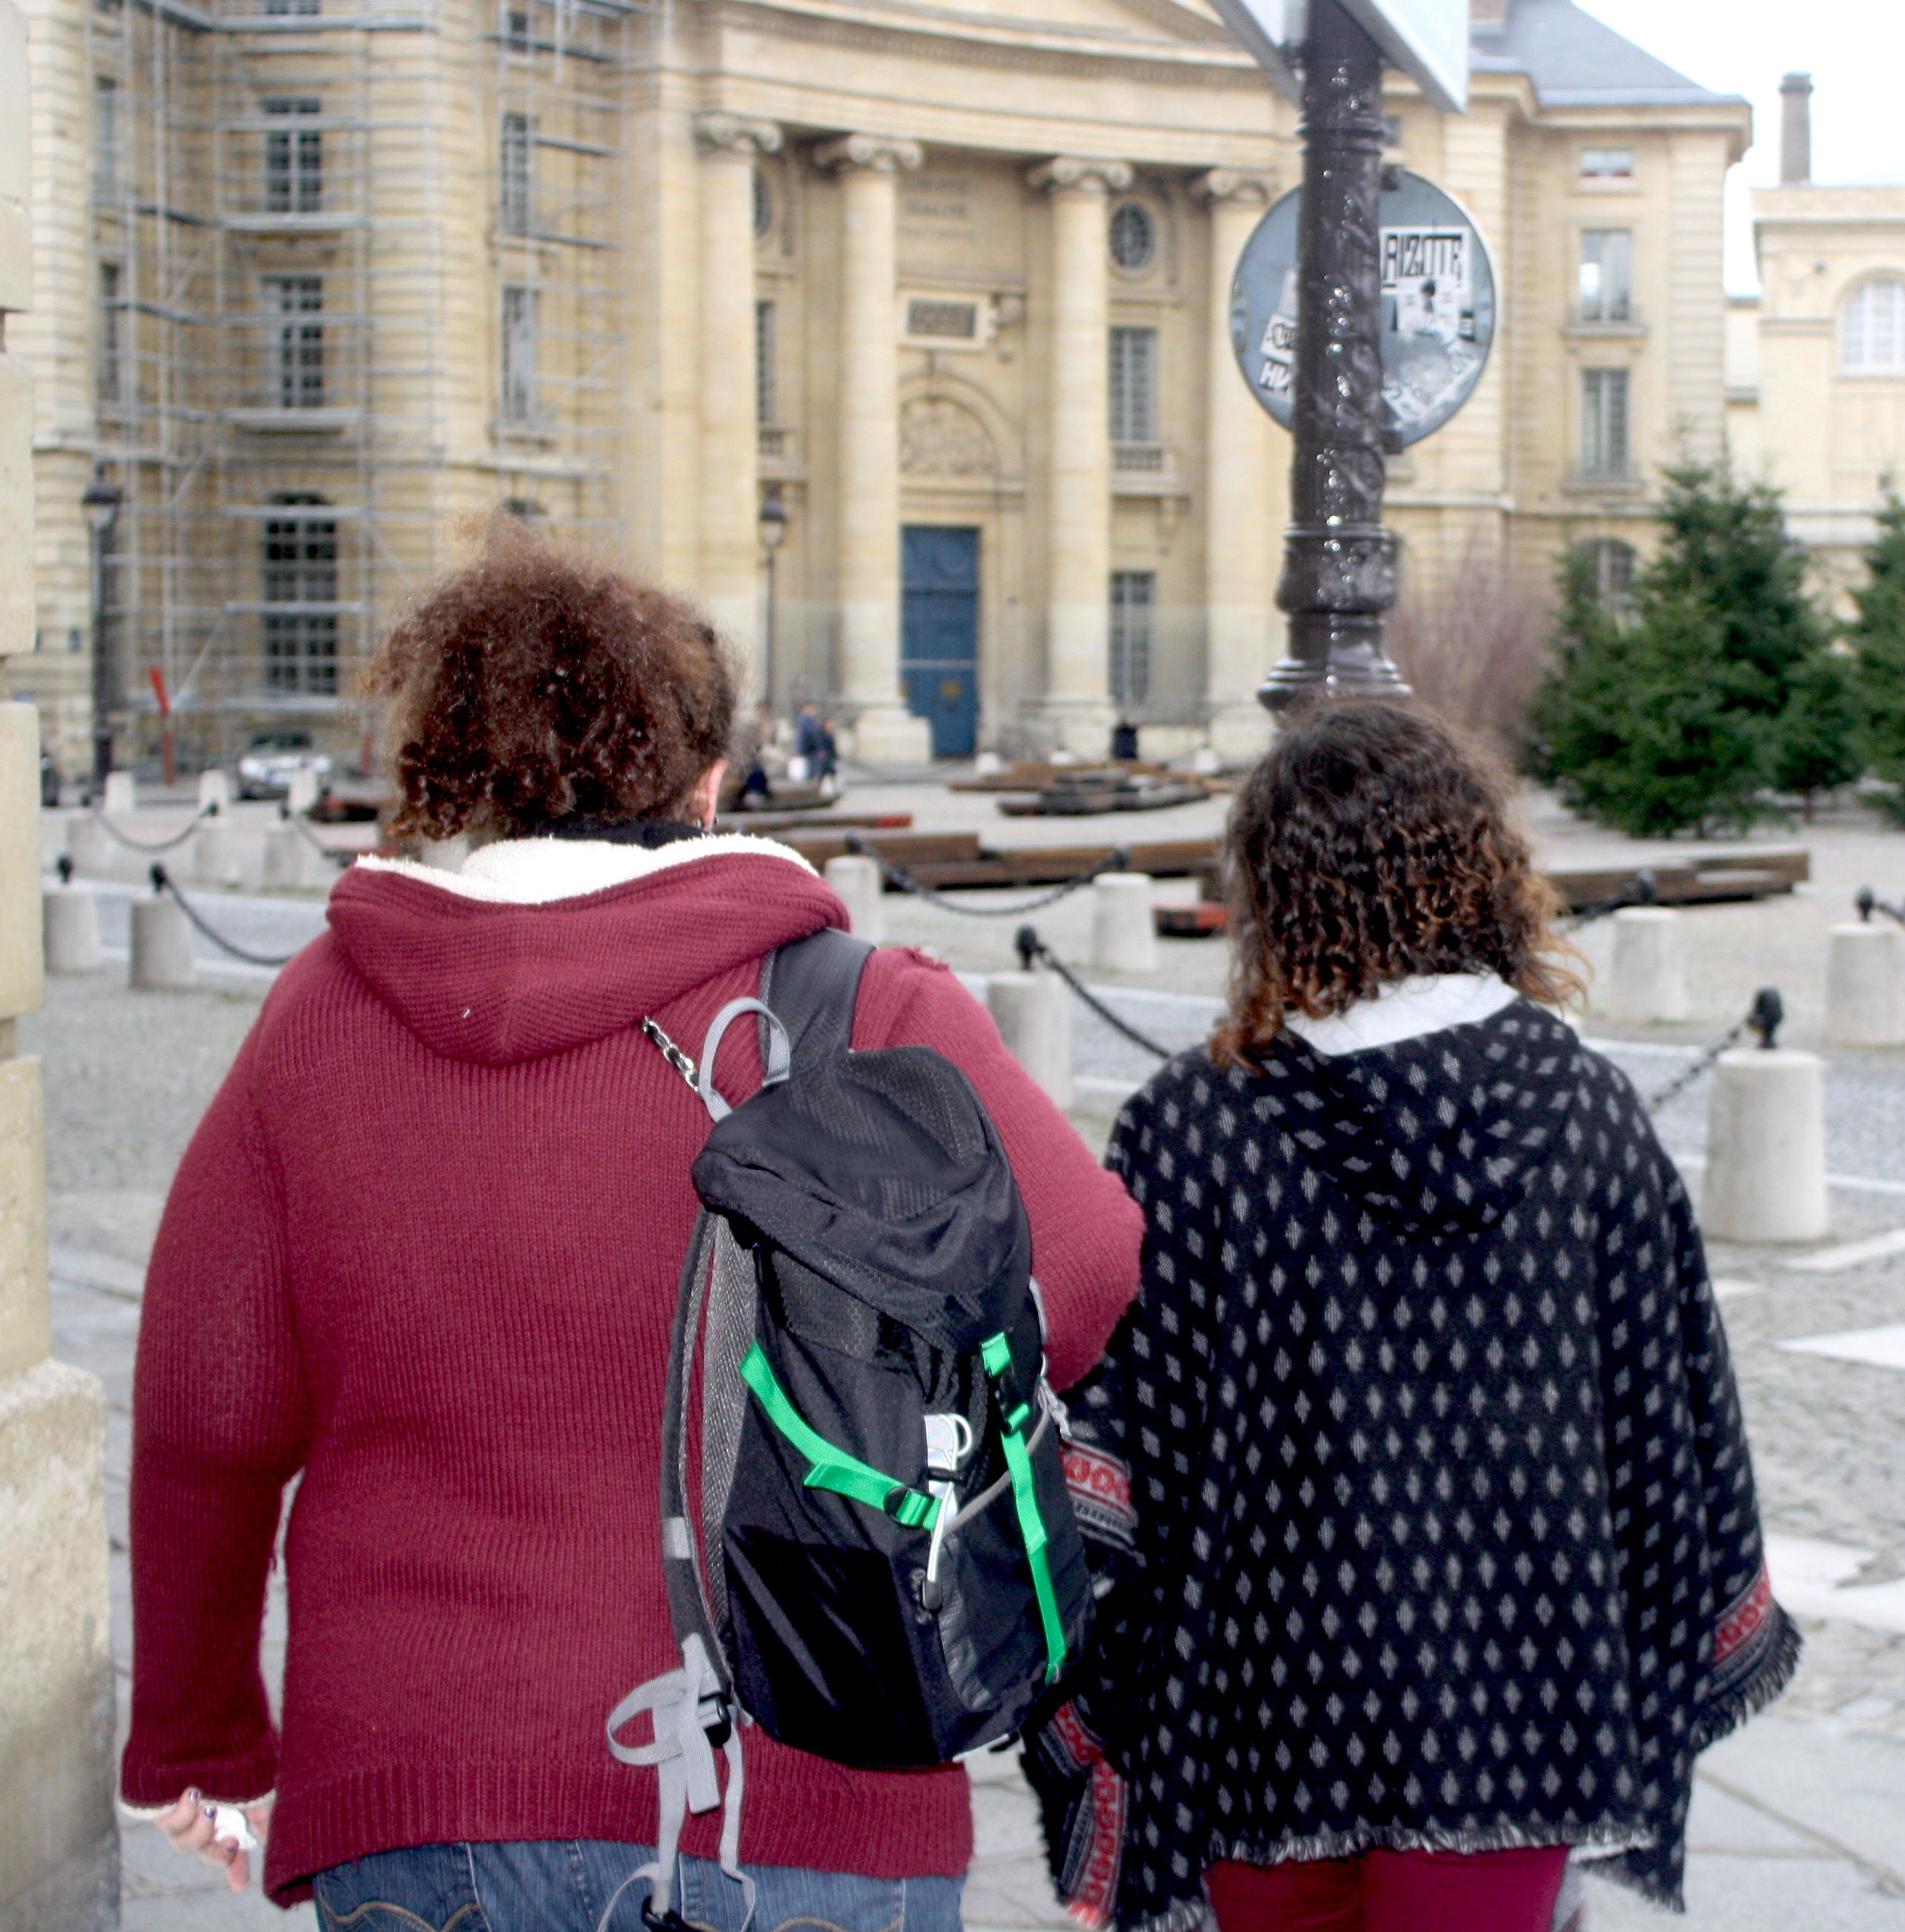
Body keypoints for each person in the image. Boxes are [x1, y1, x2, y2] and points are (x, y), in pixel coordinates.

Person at [119, 525, 1144, 1927]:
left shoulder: (324, 1016)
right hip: (807, 1784)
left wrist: (198, 1741)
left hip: (425, 1791)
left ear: (460, 773)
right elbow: (1088, 1275)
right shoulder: (864, 1006)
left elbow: (204, 1422)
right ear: (710, 778)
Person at [1024, 702, 1795, 1932]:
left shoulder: (1197, 1126)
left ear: (1279, 892)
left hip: (1257, 1718)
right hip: (1515, 1728)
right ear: (1476, 872)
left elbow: (1128, 1467)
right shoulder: (1589, 1119)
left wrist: (1097, 1706)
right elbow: (1669, 1450)